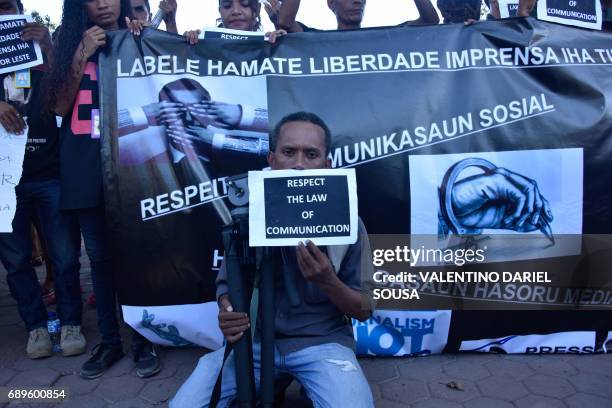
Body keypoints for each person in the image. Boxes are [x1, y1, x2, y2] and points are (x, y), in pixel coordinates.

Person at [171, 112, 376, 408]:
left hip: (321, 343)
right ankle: (270, 384)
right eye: (289, 152)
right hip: (252, 344)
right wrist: (227, 310)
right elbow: (226, 287)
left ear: (327, 165)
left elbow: (364, 310)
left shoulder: (347, 224)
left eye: (312, 154)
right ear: (271, 159)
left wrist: (327, 281)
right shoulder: (246, 219)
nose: (299, 164)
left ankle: (298, 384)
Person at [48, 0, 161, 379]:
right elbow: (59, 107)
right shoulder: (66, 41)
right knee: (98, 259)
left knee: (138, 255)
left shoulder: (138, 34)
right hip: (84, 166)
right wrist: (82, 52)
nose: (102, 3)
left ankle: (143, 338)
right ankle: (111, 340)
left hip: (133, 161)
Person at [0, 0, 84, 359]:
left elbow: (64, 98)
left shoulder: (40, 50)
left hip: (49, 171)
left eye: (7, 7)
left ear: (20, 10)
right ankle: (35, 328)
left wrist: (48, 47)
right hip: (5, 181)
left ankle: (70, 324)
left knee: (64, 256)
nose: (3, 16)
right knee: (17, 261)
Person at [277, 0, 439, 32]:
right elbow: (285, 21)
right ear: (331, 3)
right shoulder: (316, 41)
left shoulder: (384, 39)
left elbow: (430, 20)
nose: (357, 1)